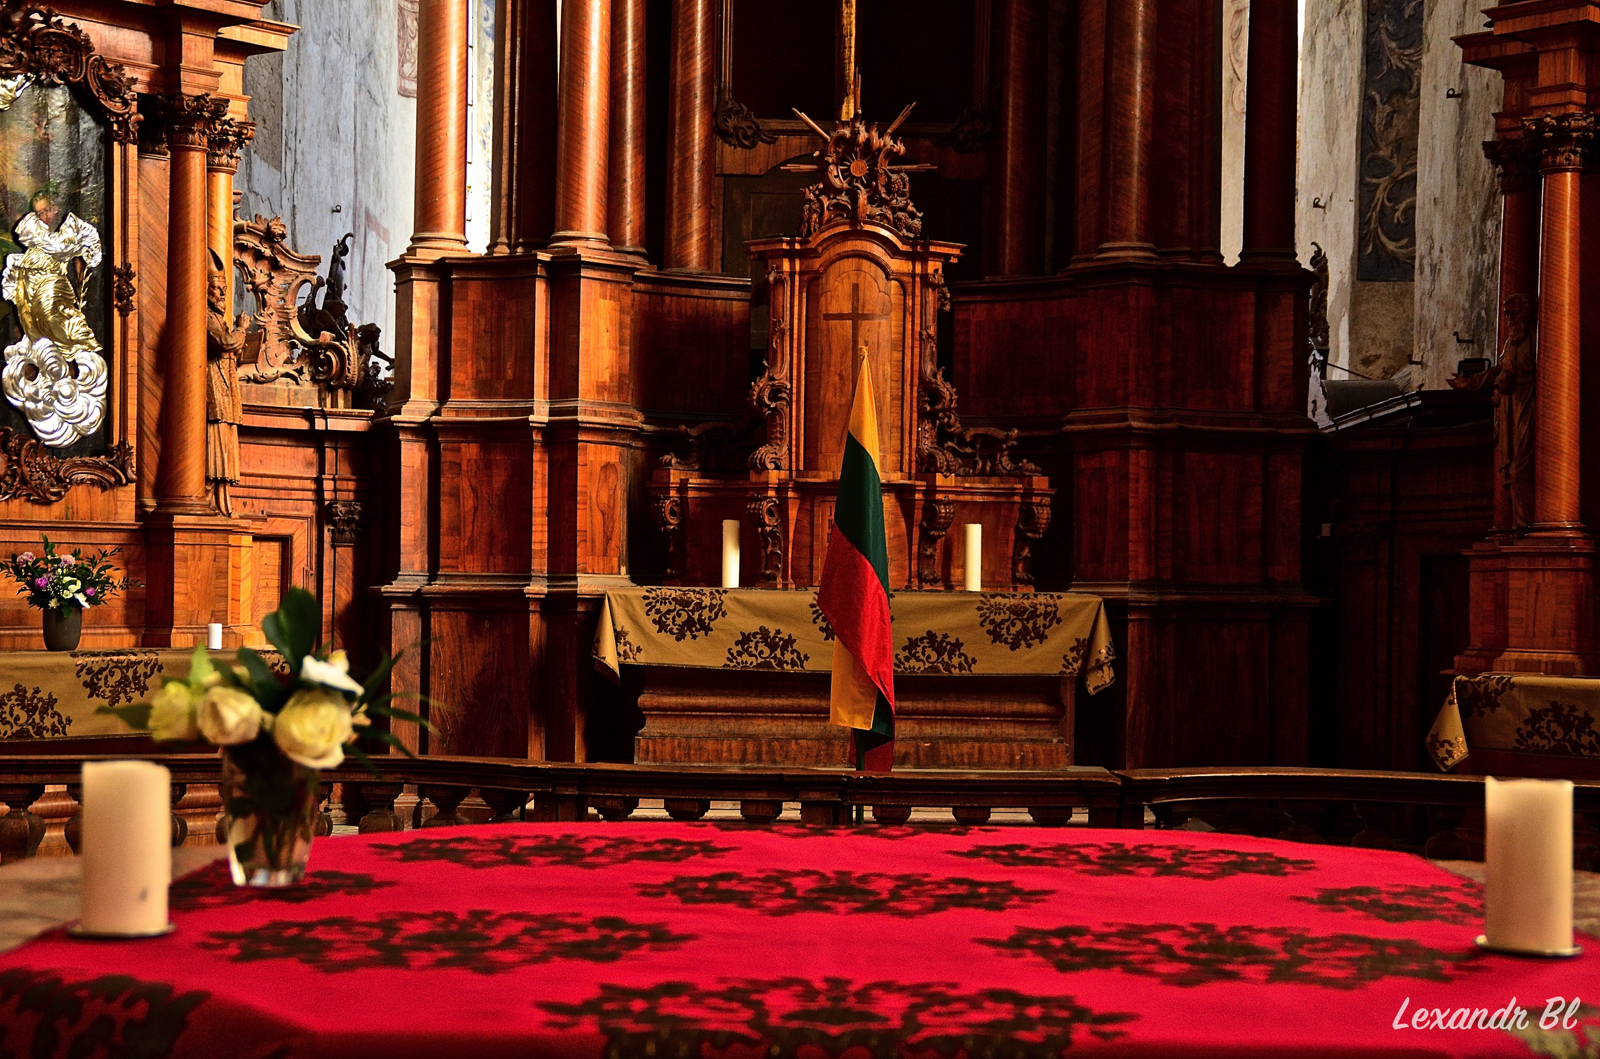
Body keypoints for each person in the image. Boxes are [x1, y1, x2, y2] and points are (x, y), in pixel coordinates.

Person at [205, 252, 248, 516]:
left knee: (225, 450)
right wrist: (241, 330)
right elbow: (224, 342)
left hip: (226, 396)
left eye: (224, 288)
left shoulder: (218, 318)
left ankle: (220, 503)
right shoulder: (205, 316)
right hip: (212, 394)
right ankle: (209, 502)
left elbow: (230, 348)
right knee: (214, 452)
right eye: (216, 288)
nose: (222, 293)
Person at [1493, 293, 1536, 532]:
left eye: (1515, 313)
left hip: (1530, 403)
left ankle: (1526, 524)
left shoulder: (1535, 339)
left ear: (1526, 314)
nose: (1510, 319)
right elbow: (1501, 371)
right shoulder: (1510, 344)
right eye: (1507, 314)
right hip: (1510, 406)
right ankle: (1519, 524)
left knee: (1520, 467)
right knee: (1512, 467)